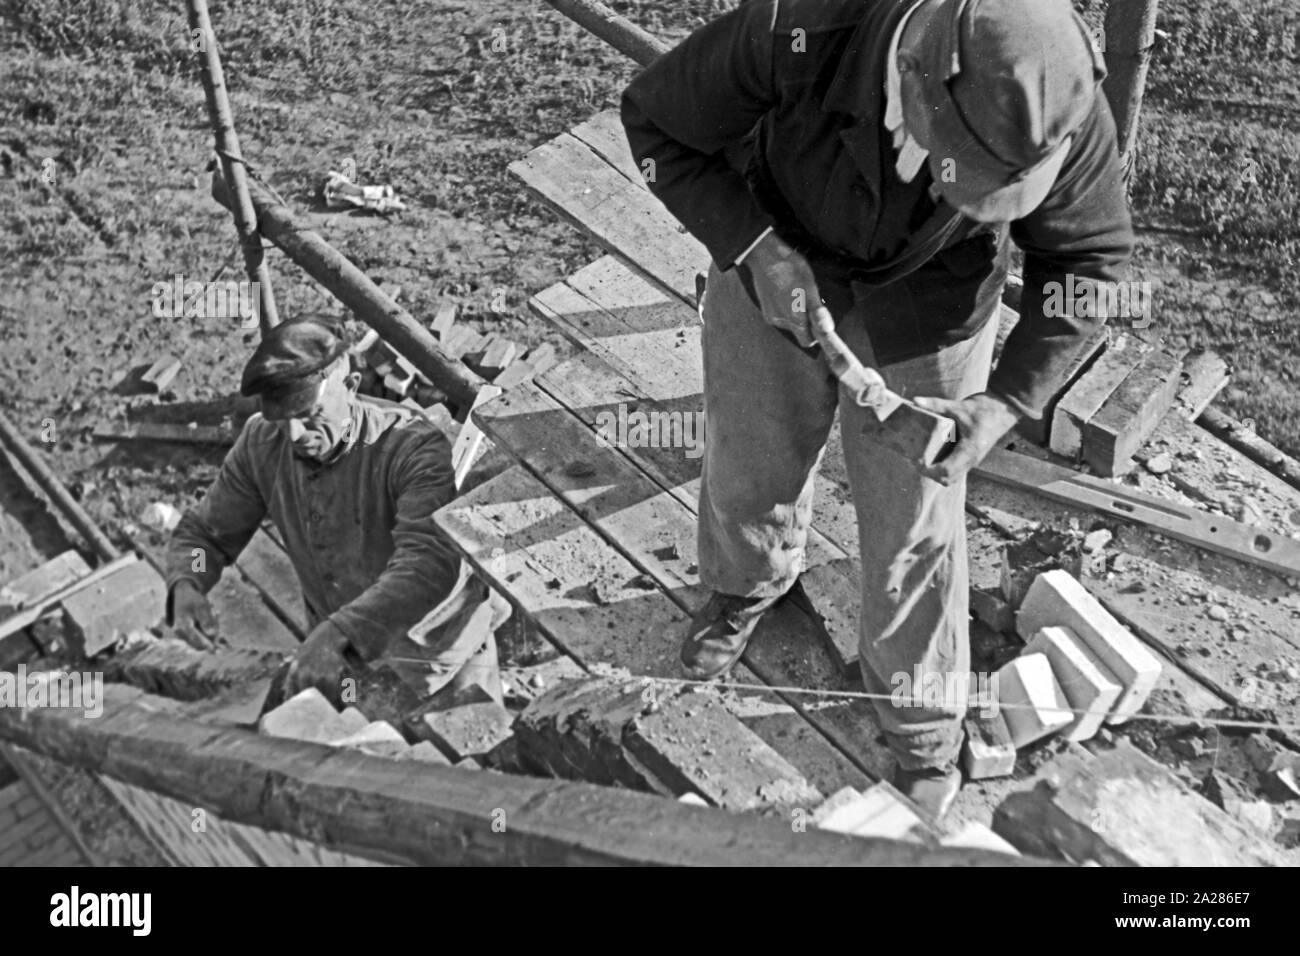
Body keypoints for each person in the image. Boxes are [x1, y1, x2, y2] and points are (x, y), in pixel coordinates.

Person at [621, 0, 1133, 817]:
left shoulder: (1061, 94)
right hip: (779, 249)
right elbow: (654, 121)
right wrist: (755, 251)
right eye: (967, 169)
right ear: (914, 81)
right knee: (751, 454)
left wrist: (1001, 406)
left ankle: (925, 727)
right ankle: (746, 582)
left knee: (916, 522)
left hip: (932, 305)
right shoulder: (800, 24)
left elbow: (1091, 266)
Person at [163, 317, 503, 702]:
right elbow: (205, 537)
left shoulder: (413, 449)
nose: (294, 436)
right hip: (344, 662)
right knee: (352, 733)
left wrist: (339, 630)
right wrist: (189, 583)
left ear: (351, 387)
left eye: (309, 416)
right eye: (282, 420)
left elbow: (428, 564)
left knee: (468, 751)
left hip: (435, 664)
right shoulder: (262, 440)